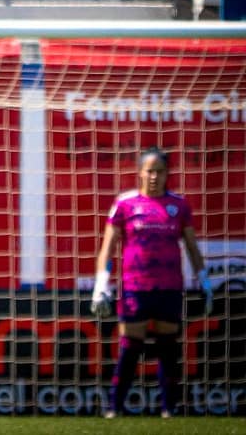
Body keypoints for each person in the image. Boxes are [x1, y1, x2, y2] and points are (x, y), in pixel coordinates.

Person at [91, 146, 214, 418]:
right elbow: (107, 247)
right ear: (140, 172)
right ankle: (114, 407)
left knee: (168, 347)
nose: (155, 177)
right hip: (135, 287)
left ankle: (169, 408)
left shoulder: (179, 205)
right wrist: (101, 285)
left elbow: (192, 248)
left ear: (167, 173)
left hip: (169, 286)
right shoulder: (125, 203)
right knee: (130, 347)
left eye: (160, 171)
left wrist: (204, 282)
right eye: (150, 171)